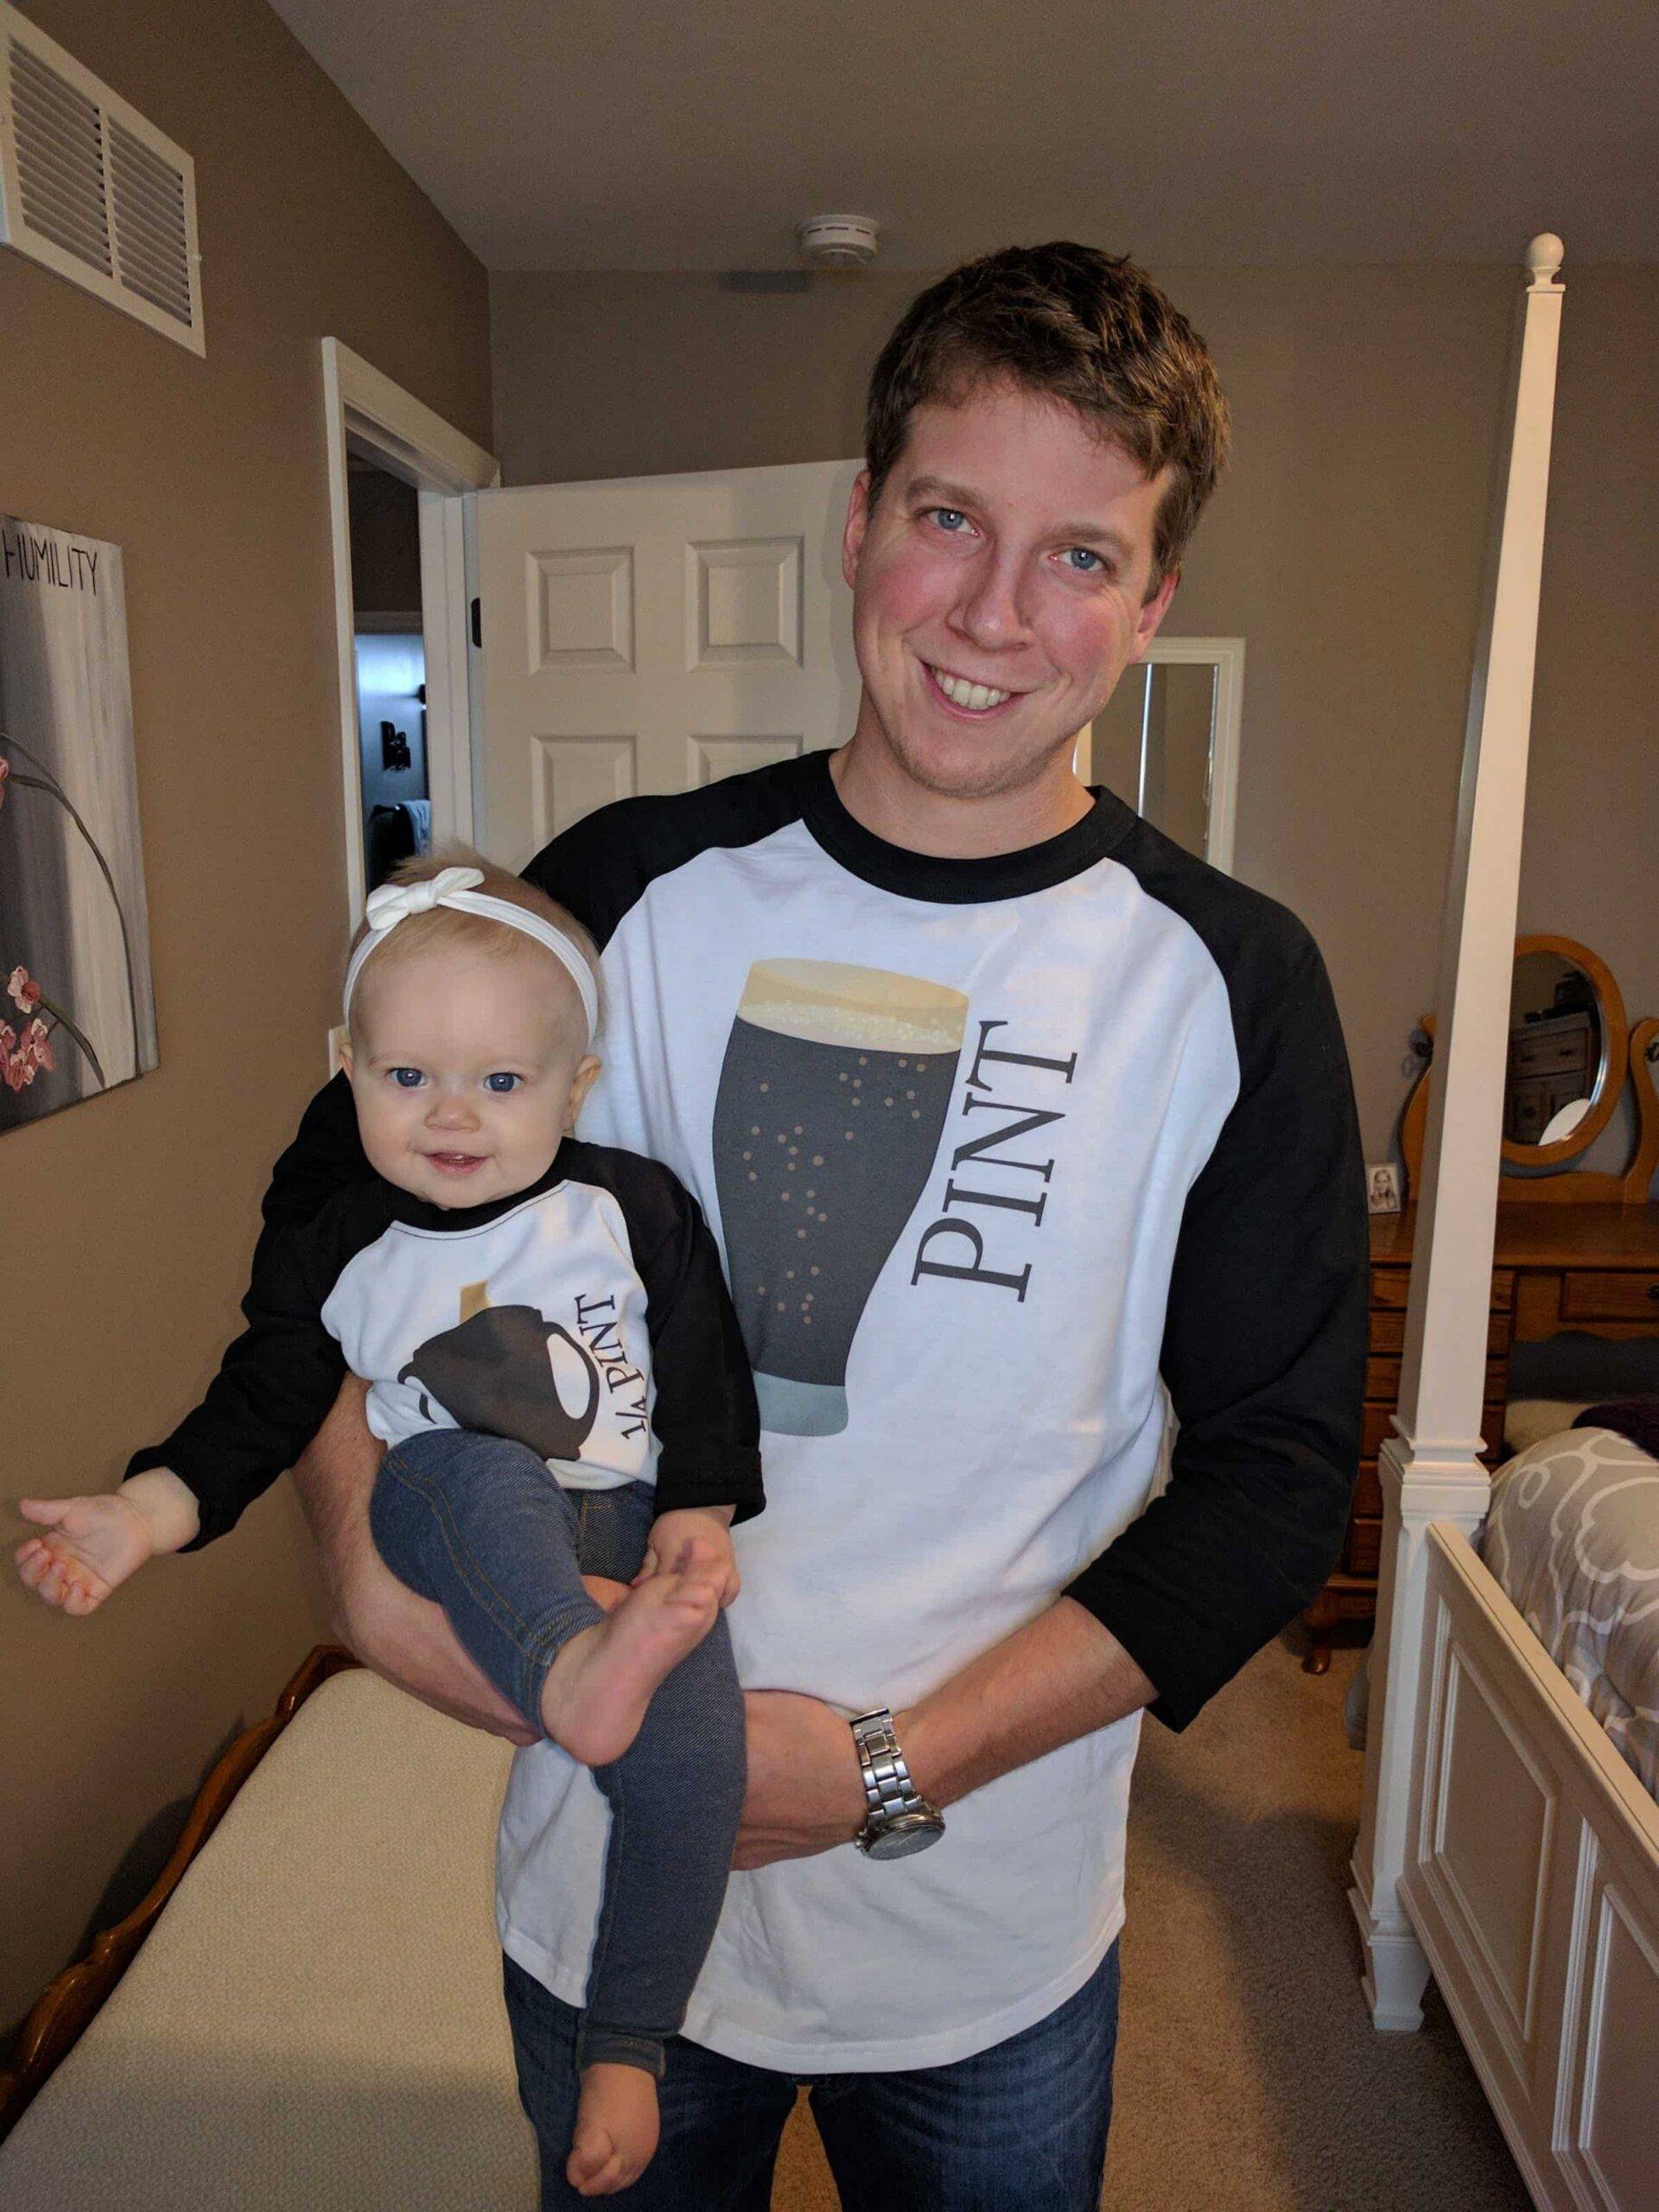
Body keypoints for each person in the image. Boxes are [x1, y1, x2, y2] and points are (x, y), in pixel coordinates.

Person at [86, 240, 1368, 2207]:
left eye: (1082, 555)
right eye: (950, 517)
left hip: (987, 1940)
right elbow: (329, 1212)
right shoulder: (631, 883)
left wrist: (890, 1762)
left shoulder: (1226, 975)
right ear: (862, 523)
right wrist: (359, 1572)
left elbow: (1278, 1481)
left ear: (1155, 598)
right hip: (606, 1897)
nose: (997, 614)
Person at [13, 854, 764, 2198]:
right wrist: (143, 1512)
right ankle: (572, 1672)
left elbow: (707, 1371)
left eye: (503, 1081)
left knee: (702, 1758)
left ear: (575, 1085)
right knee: (476, 1473)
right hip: (451, 1517)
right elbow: (265, 1396)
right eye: (407, 1077)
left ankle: (629, 2042)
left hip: (630, 1523)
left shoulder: (629, 1207)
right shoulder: (340, 1241)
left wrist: (699, 1517)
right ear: (344, 1067)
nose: (454, 1117)